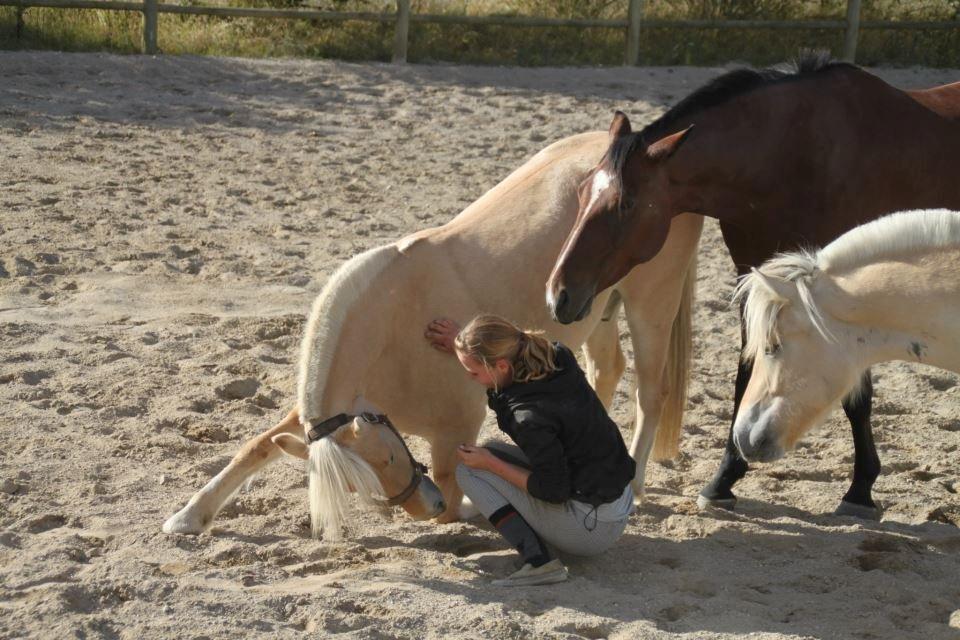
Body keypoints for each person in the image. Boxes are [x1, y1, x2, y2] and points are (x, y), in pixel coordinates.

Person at [424, 314, 636, 587]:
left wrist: (491, 464)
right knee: (489, 449)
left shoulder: (529, 417)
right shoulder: (555, 356)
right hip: (614, 498)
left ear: (501, 365)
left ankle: (540, 562)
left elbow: (553, 490)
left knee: (471, 470)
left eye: (474, 372)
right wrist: (463, 343)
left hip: (591, 529)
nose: (470, 377)